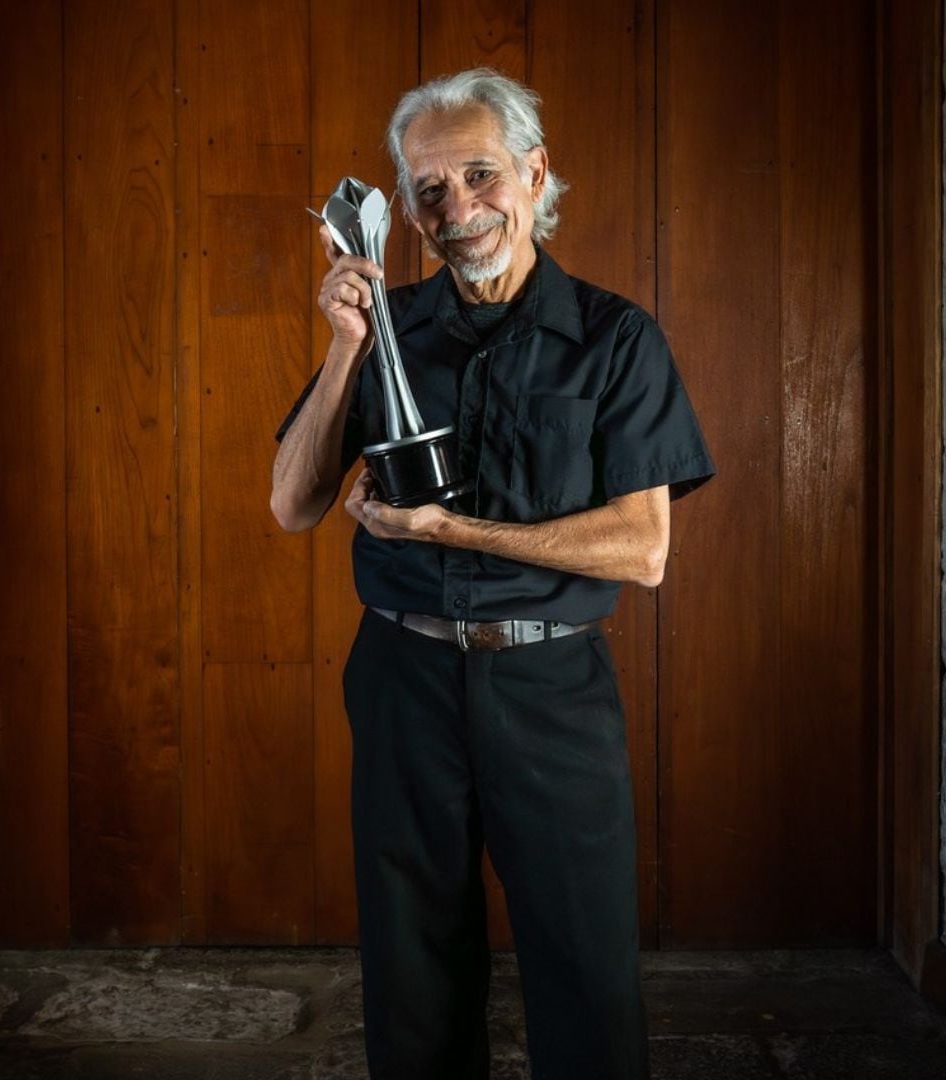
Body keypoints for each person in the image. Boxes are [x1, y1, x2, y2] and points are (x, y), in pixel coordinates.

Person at [270, 68, 714, 1079]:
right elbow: (292, 503)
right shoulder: (388, 333)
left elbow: (642, 550)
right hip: (403, 683)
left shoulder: (615, 339)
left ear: (535, 172)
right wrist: (344, 349)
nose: (458, 210)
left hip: (551, 686)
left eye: (480, 175)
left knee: (587, 975)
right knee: (411, 969)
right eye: (429, 191)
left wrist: (450, 531)